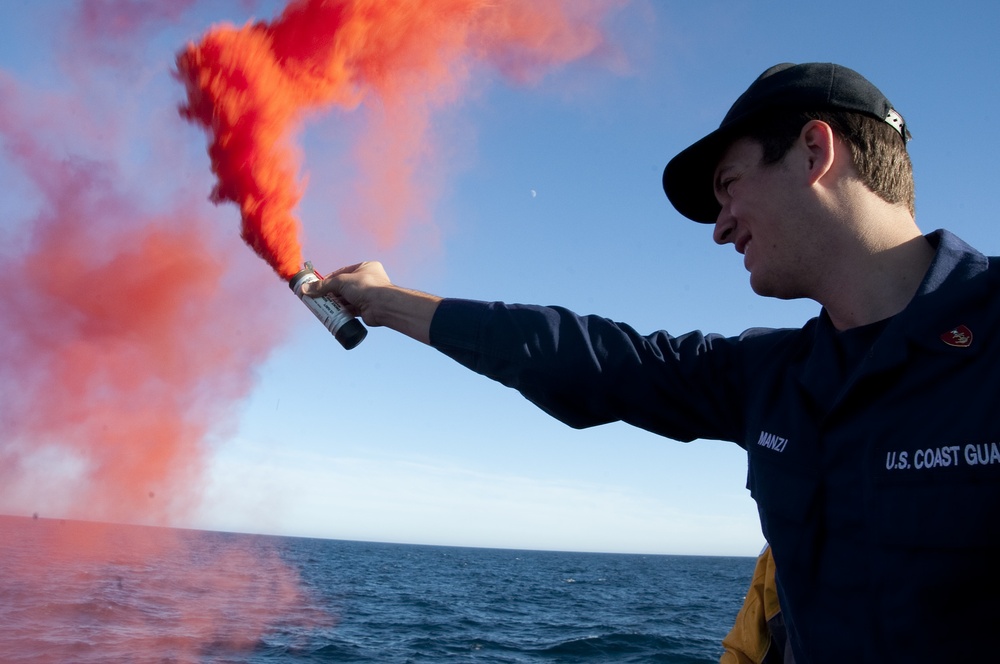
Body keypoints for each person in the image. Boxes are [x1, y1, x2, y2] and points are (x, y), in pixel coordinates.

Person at [303, 63, 1000, 662]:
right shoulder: (770, 376)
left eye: (729, 185)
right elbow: (595, 359)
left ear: (815, 152)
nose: (721, 225)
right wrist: (388, 302)